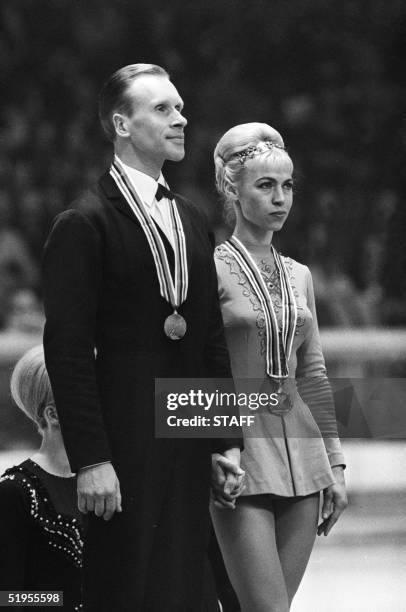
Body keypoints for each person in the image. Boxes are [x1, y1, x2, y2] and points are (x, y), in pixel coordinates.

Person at [42, 63, 243, 612]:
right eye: (163, 109)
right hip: (123, 449)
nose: (181, 118)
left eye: (179, 107)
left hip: (187, 445)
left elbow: (208, 339)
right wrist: (91, 460)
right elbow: (67, 352)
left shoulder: (193, 219)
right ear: (121, 124)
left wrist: (224, 441)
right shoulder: (84, 222)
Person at [210, 123, 348, 612]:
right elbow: (193, 366)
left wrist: (335, 464)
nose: (280, 198)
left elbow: (313, 373)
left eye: (287, 186)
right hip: (238, 456)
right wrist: (206, 447)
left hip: (304, 460)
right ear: (232, 187)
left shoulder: (300, 275)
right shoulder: (208, 268)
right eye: (265, 185)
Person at [0, 345, 83, 611]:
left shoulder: (116, 477)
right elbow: (7, 597)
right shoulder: (16, 491)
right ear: (53, 414)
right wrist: (63, 600)